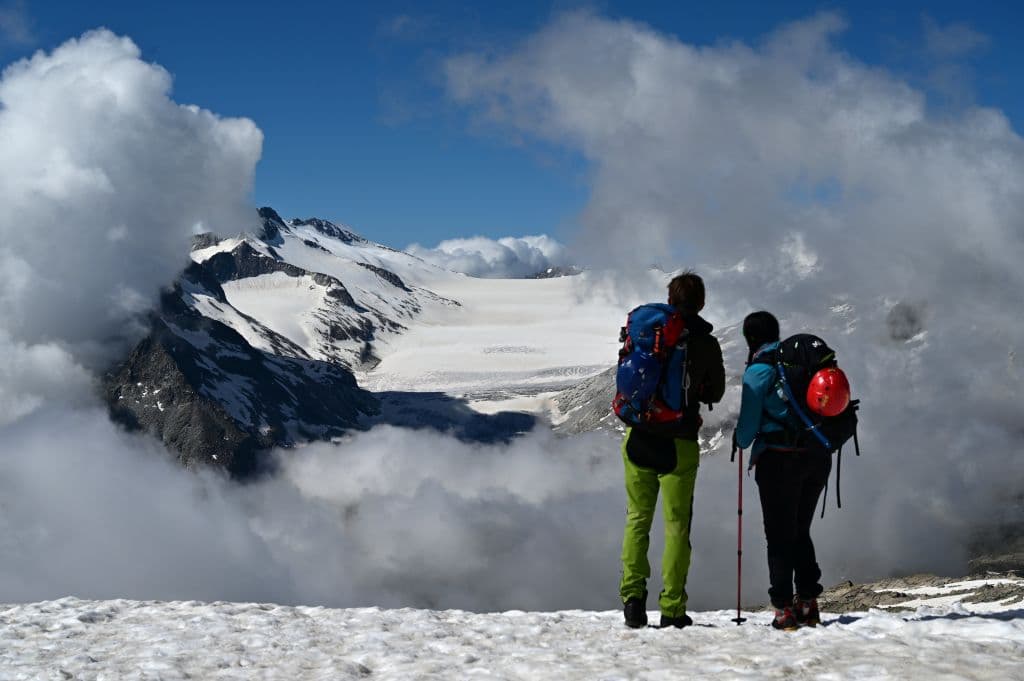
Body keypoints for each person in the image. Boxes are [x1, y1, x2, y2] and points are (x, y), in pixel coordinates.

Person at [620, 271, 725, 629]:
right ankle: (673, 610)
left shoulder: (648, 332)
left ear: (669, 297)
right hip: (678, 444)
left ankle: (632, 600)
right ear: (702, 302)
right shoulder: (703, 342)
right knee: (677, 527)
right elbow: (714, 394)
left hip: (637, 438)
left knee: (637, 521)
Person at [734, 311, 830, 630]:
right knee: (800, 530)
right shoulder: (800, 362)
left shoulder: (758, 371)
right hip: (816, 457)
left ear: (750, 339)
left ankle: (783, 609)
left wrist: (739, 439)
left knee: (778, 535)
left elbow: (747, 430)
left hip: (778, 461)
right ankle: (808, 604)